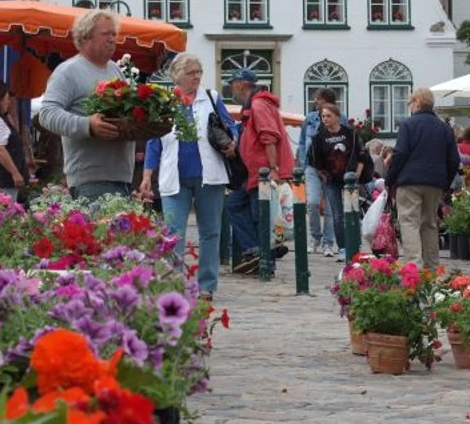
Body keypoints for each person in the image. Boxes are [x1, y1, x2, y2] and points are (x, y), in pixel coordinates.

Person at [140, 54, 235, 300]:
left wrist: (232, 142)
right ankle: (174, 285)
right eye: (191, 72)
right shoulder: (165, 102)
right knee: (173, 233)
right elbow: (154, 141)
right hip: (174, 176)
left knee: (210, 232)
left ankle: (206, 285)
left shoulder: (211, 98)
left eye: (198, 72)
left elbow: (229, 126)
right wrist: (147, 175)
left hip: (209, 175)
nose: (196, 77)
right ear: (177, 76)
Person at [39, 9, 132, 202]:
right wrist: (88, 125)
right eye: (106, 34)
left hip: (121, 177)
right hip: (90, 180)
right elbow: (47, 114)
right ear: (86, 36)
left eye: (114, 34)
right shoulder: (68, 71)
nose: (112, 39)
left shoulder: (115, 69)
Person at [226, 68, 294, 274]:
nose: (231, 90)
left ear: (240, 84)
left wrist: (273, 168)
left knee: (260, 215)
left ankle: (265, 258)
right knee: (236, 206)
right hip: (252, 171)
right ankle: (259, 251)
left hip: (262, 171)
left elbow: (268, 136)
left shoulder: (258, 104)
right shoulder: (255, 104)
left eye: (232, 85)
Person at [386, 88, 460, 269]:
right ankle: (432, 267)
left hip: (409, 181)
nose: (410, 106)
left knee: (409, 221)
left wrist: (390, 179)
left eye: (410, 103)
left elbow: (400, 153)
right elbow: (454, 159)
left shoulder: (408, 124)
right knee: (429, 223)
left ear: (417, 102)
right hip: (435, 183)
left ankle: (414, 266)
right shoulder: (444, 128)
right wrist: (445, 183)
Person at [309, 103, 366, 262]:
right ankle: (342, 247)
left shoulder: (350, 134)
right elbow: (314, 160)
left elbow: (362, 155)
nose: (325, 119)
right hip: (332, 180)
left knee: (353, 212)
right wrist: (323, 174)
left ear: (337, 117)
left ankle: (356, 244)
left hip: (350, 180)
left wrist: (357, 175)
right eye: (323, 116)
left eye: (328, 116)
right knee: (337, 215)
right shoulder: (319, 137)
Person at [296, 88, 337, 257]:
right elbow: (302, 142)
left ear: (328, 102)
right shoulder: (310, 119)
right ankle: (315, 237)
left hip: (332, 169)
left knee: (330, 208)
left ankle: (328, 243)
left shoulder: (339, 119)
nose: (316, 102)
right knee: (312, 203)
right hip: (312, 167)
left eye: (318, 99)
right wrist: (302, 162)